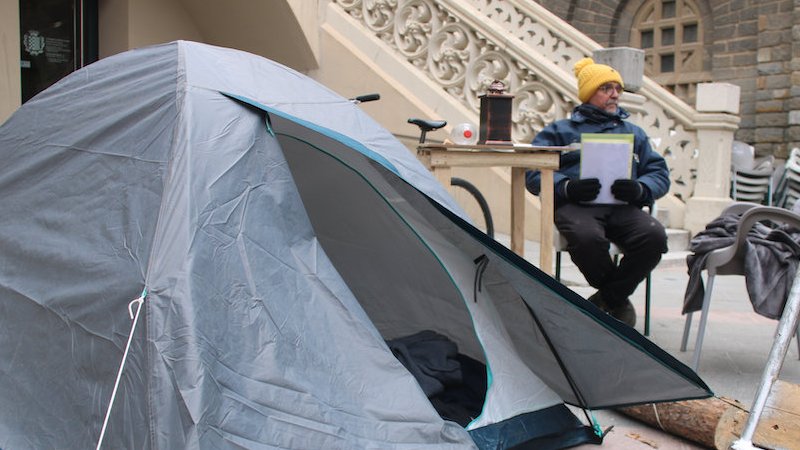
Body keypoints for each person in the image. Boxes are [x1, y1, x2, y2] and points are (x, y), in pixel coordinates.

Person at [526, 57, 670, 327]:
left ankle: (606, 299)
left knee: (654, 236)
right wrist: (568, 187)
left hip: (622, 207)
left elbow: (659, 174)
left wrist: (640, 189)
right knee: (586, 237)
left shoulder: (634, 133)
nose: (615, 94)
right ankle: (617, 301)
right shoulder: (559, 132)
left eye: (617, 88)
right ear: (588, 93)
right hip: (577, 207)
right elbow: (533, 173)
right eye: (606, 88)